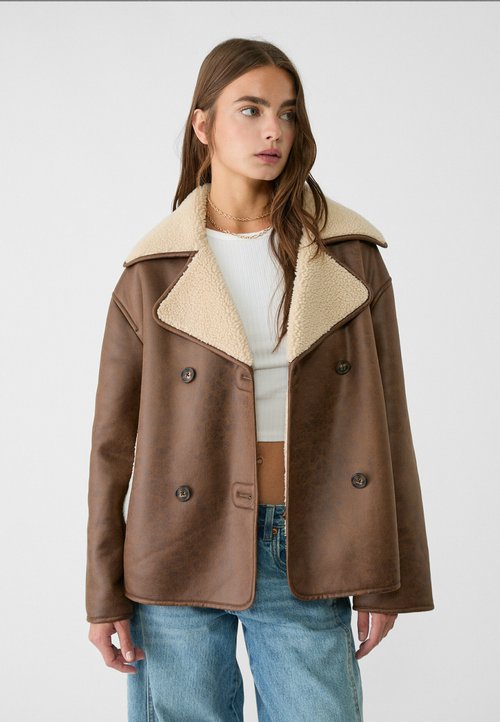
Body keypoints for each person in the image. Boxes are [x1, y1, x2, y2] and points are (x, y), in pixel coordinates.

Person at [86, 37, 434, 722]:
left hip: (305, 543)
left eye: (288, 113)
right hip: (175, 547)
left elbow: (389, 422)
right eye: (250, 110)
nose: (273, 129)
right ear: (203, 125)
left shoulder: (350, 260)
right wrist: (103, 592)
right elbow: (111, 446)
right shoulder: (152, 273)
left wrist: (389, 577)